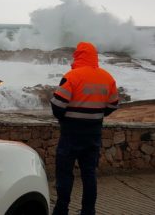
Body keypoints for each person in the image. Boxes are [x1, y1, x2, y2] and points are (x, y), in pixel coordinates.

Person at [50, 42, 119, 215]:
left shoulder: (72, 76)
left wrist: (66, 118)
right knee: (89, 175)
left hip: (71, 134)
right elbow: (112, 106)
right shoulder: (107, 78)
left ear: (78, 55)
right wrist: (95, 116)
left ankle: (61, 210)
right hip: (93, 134)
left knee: (65, 174)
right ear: (94, 56)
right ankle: (88, 211)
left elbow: (58, 106)